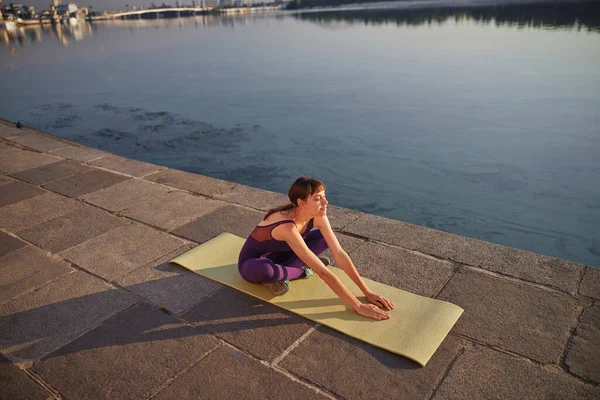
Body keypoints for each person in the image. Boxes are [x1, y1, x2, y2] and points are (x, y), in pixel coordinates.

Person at [237, 176, 395, 321]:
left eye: (324, 197)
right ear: (301, 202)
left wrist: (367, 292)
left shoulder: (318, 215)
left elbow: (339, 253)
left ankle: (292, 270)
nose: (325, 203)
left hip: (285, 254)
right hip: (254, 263)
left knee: (323, 237)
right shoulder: (286, 226)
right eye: (318, 199)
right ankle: (303, 270)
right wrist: (358, 306)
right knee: (268, 271)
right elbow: (324, 273)